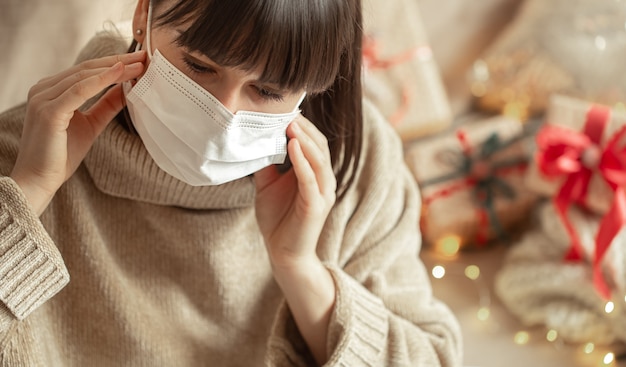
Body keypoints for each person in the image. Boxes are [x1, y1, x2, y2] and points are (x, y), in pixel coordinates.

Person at [0, 0, 462, 365]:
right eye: (200, 66)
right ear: (144, 15)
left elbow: (431, 357)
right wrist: (30, 193)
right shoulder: (23, 151)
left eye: (268, 91)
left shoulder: (358, 163)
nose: (223, 115)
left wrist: (301, 270)